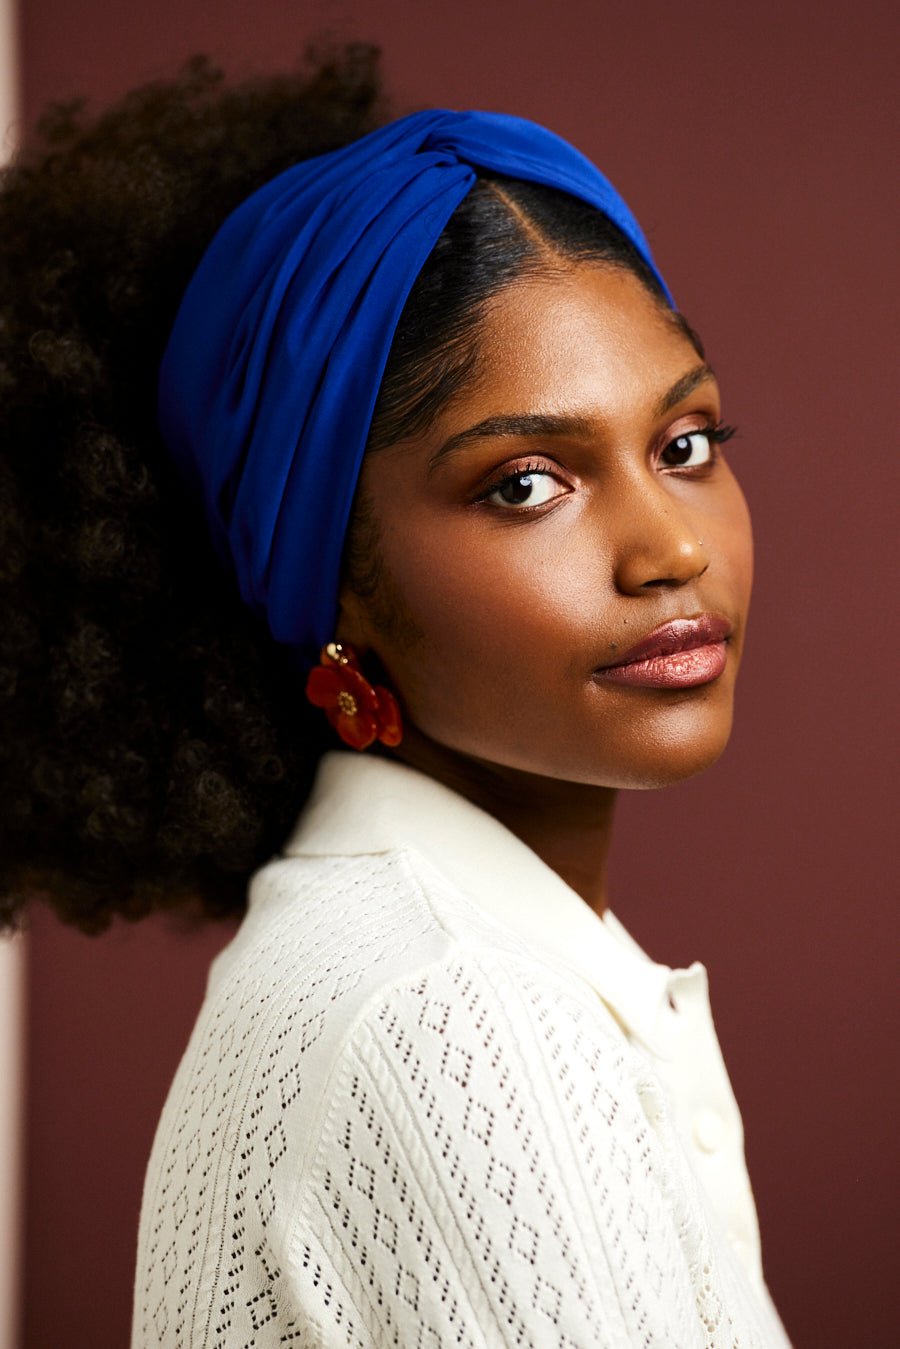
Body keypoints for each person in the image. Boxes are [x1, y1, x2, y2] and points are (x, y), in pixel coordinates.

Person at [0, 46, 791, 1348]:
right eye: (527, 480)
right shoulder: (449, 1018)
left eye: (685, 442)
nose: (673, 548)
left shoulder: (422, 957)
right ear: (335, 579)